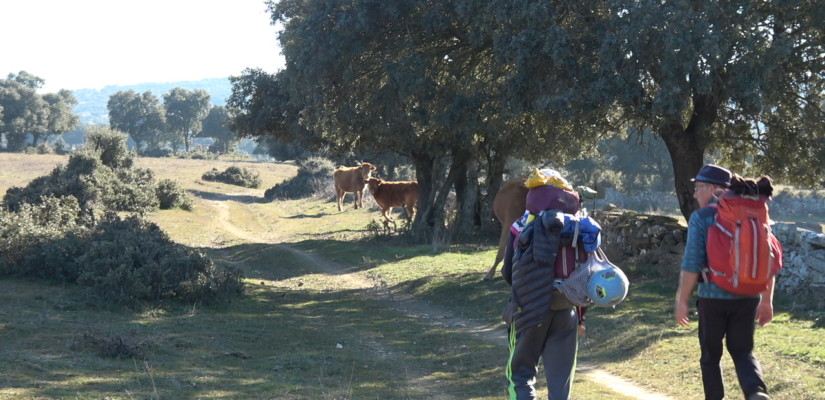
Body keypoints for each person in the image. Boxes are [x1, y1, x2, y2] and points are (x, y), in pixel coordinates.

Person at [674, 164, 775, 400]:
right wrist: (766, 301)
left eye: (699, 188)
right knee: (743, 351)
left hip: (713, 297)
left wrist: (682, 300)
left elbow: (691, 264)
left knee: (710, 356)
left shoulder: (702, 217)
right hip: (749, 297)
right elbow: (769, 260)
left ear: (714, 188)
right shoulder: (755, 212)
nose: (695, 194)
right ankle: (756, 392)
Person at [501, 169, 590, 400]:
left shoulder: (522, 224)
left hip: (529, 311)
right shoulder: (576, 227)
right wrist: (582, 318)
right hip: (566, 310)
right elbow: (586, 272)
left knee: (520, 376)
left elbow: (508, 271)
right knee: (560, 384)